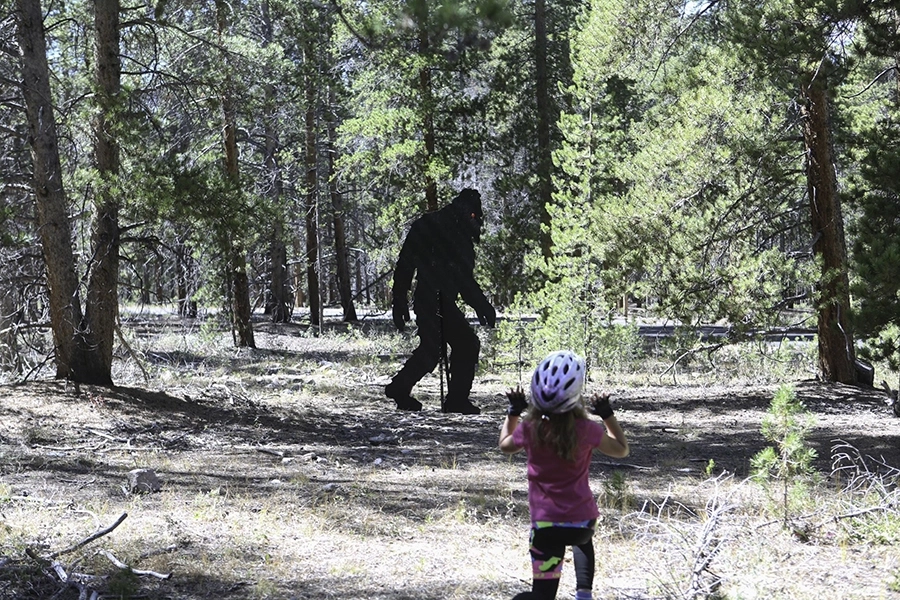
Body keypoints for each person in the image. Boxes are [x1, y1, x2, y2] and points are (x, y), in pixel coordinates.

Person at [499, 350, 630, 600]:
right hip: (582, 523)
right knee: (582, 539)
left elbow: (505, 445)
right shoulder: (587, 429)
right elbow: (622, 450)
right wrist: (606, 414)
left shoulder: (530, 429)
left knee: (541, 595)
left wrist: (514, 411)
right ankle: (584, 593)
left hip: (545, 525)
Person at [386, 188, 496, 414]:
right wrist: (399, 300)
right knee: (452, 346)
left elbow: (463, 280)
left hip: (438, 298)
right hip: (431, 297)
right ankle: (411, 391)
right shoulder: (443, 228)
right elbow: (406, 265)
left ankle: (411, 390)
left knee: (452, 345)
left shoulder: (440, 227)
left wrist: (481, 305)